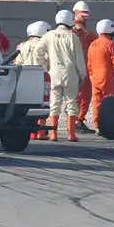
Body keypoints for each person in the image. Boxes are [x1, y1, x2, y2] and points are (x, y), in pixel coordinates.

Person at [35, 10, 87, 142]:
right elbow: (79, 59)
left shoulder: (48, 35)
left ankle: (53, 134)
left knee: (54, 103)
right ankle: (71, 135)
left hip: (54, 72)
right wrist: (82, 75)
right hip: (70, 73)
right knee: (71, 103)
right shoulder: (73, 37)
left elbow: (37, 51)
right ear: (70, 21)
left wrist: (44, 66)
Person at [15, 21, 52, 140]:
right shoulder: (44, 45)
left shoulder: (21, 45)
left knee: (26, 106)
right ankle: (41, 132)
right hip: (39, 78)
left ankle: (30, 133)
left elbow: (16, 63)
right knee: (41, 105)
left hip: (24, 78)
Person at [87, 19, 114, 134]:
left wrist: (91, 76)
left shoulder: (93, 44)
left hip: (94, 77)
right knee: (110, 101)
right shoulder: (110, 44)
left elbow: (89, 62)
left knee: (97, 102)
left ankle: (98, 125)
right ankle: (109, 125)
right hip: (107, 77)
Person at [71, 0, 96, 134]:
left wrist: (85, 31)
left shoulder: (86, 32)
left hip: (85, 67)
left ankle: (79, 120)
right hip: (74, 67)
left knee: (86, 95)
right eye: (83, 14)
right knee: (76, 95)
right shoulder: (71, 31)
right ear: (75, 13)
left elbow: (96, 42)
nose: (85, 17)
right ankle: (74, 120)